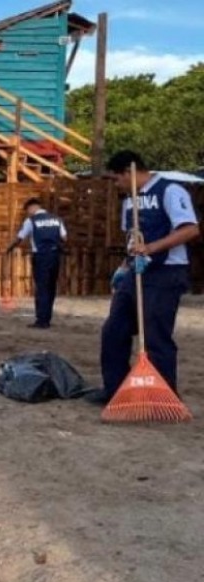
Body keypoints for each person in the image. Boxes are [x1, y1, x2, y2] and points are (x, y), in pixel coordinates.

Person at [85, 151, 199, 406]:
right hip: (135, 272)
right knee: (114, 330)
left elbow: (190, 229)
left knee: (156, 334)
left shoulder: (170, 191)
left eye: (117, 179)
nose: (117, 184)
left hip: (166, 272)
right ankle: (115, 389)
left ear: (129, 172)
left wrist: (152, 248)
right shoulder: (129, 201)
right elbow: (132, 239)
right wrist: (124, 267)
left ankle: (164, 395)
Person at [4, 198, 67, 328]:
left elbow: (20, 237)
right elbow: (64, 237)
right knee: (51, 287)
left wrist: (8, 248)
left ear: (32, 208)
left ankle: (41, 320)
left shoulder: (31, 221)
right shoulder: (56, 219)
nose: (28, 213)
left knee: (42, 288)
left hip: (41, 256)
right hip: (55, 255)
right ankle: (47, 317)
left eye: (27, 211)